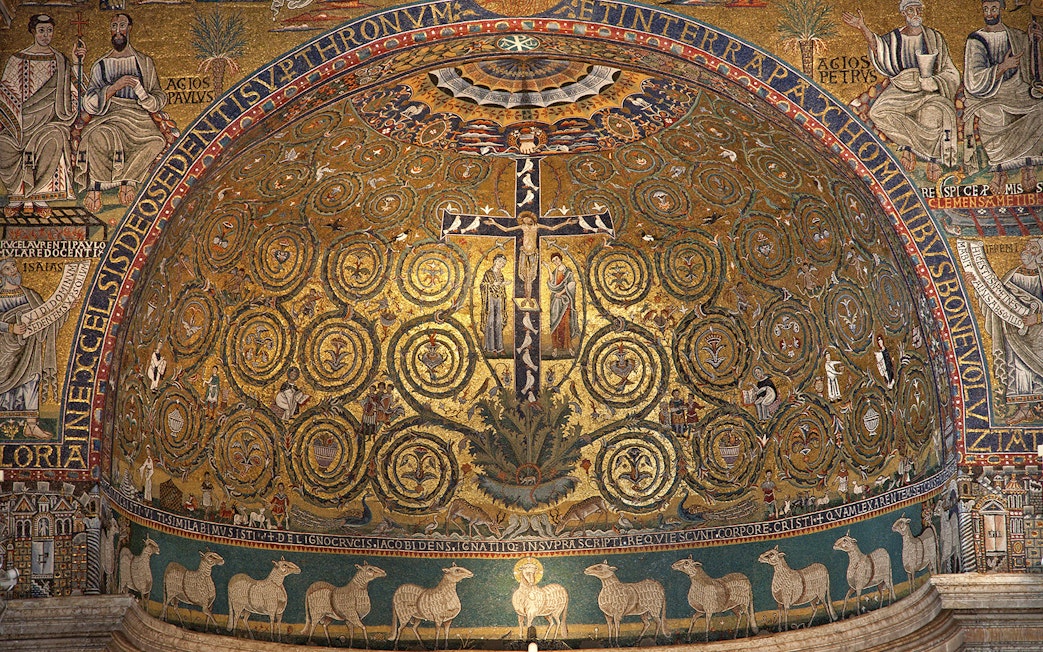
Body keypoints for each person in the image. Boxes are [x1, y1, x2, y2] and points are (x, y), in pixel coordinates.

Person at [843, 0, 959, 181]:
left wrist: (935, 82)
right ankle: (909, 145)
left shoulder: (934, 38)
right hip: (901, 87)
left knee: (934, 114)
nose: (916, 13)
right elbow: (877, 46)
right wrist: (862, 27)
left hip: (928, 88)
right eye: (911, 10)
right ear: (903, 13)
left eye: (918, 9)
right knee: (878, 112)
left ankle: (932, 158)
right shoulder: (895, 38)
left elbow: (950, 70)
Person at [76, 13, 169, 212]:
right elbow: (89, 103)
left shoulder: (144, 62)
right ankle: (96, 187)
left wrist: (142, 93)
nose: (118, 31)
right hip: (109, 115)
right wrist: (113, 88)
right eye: (114, 26)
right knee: (98, 137)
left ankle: (129, 181)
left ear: (130, 28)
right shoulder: (100, 65)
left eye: (122, 26)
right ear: (109, 30)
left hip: (138, 117)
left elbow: (159, 97)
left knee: (156, 142)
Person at [0, 15, 84, 217]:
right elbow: (6, 92)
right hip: (20, 121)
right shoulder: (17, 59)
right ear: (33, 32)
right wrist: (17, 122)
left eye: (49, 31)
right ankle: (17, 195)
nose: (46, 35)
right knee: (4, 144)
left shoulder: (60, 60)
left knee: (54, 138)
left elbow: (74, 92)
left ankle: (39, 196)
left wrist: (76, 63)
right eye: (41, 31)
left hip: (51, 122)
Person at [963, 0, 1043, 185]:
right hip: (989, 95)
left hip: (1018, 92)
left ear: (1001, 9)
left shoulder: (1016, 35)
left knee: (1039, 110)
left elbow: (1033, 73)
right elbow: (973, 80)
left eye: (993, 8)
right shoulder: (976, 39)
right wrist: (1002, 67)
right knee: (997, 116)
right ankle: (999, 168)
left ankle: (1028, 165)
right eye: (986, 9)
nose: (989, 13)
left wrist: (1034, 43)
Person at [981, 238, 1043, 424]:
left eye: (1031, 247)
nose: (1026, 250)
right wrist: (975, 281)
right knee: (1018, 368)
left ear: (1039, 253)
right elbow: (994, 298)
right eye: (1026, 247)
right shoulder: (1012, 274)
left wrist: (1038, 319)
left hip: (1039, 333)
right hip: (1015, 331)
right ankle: (1024, 410)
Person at [0, 258, 61, 439]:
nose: (13, 270)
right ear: (1, 274)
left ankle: (31, 425)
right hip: (5, 348)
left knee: (33, 379)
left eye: (14, 266)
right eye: (7, 268)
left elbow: (47, 318)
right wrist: (10, 328)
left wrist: (64, 310)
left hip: (30, 346)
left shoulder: (30, 295)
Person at [547, 252, 577, 354]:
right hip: (555, 301)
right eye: (553, 261)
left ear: (560, 258)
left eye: (556, 259)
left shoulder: (568, 272)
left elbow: (571, 284)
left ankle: (569, 347)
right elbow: (552, 283)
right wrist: (547, 268)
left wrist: (561, 293)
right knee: (555, 322)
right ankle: (555, 348)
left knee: (566, 323)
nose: (555, 262)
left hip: (565, 300)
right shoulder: (555, 271)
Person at [480, 254, 508, 354]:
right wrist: (492, 284)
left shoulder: (501, 275)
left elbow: (501, 289)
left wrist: (503, 284)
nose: (501, 264)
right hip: (490, 299)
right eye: (500, 262)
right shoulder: (488, 273)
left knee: (498, 322)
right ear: (495, 261)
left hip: (499, 299)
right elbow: (483, 285)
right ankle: (491, 348)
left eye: (503, 263)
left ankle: (499, 347)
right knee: (490, 321)